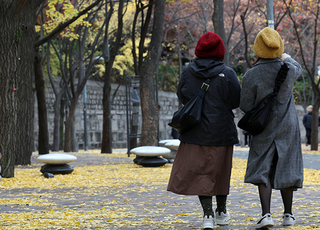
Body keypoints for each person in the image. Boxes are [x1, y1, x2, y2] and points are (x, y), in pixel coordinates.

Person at [167, 32, 241, 229]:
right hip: (221, 131)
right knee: (221, 171)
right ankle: (221, 211)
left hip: (195, 131)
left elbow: (182, 96)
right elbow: (236, 101)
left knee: (201, 172)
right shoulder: (228, 73)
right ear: (220, 51)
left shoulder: (187, 72)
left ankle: (207, 215)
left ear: (199, 49)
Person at [239, 27, 303, 229]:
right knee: (287, 165)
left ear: (258, 48)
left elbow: (245, 106)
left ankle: (266, 214)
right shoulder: (289, 69)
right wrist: (285, 56)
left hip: (264, 126)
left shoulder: (252, 75)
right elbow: (298, 67)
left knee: (263, 166)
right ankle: (288, 215)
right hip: (288, 125)